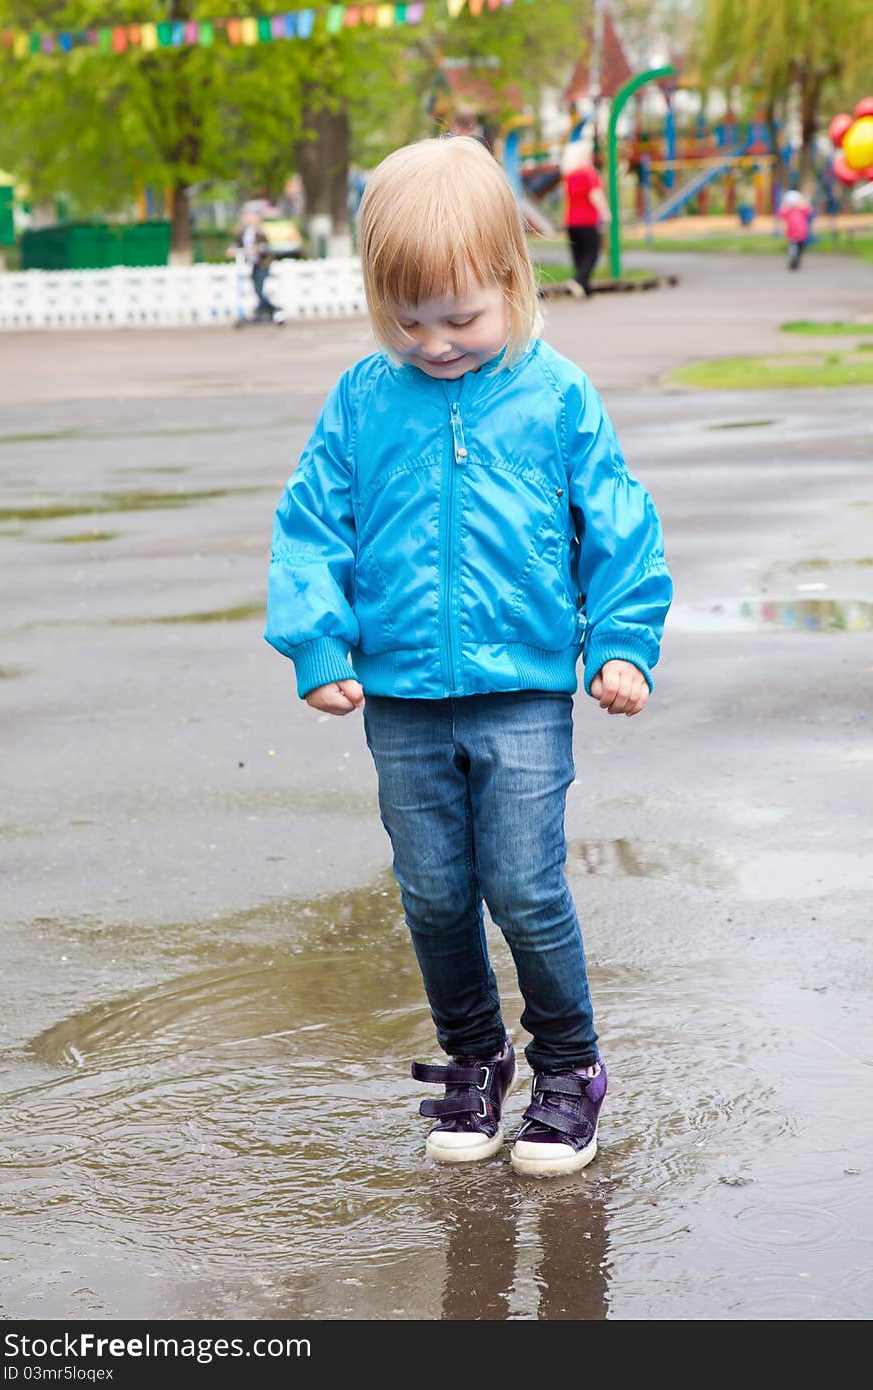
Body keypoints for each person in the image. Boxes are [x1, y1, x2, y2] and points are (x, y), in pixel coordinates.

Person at [265, 137, 672, 1178]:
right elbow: (312, 523)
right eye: (409, 319)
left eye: (461, 316)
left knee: (525, 888)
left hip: (525, 689)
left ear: (511, 277)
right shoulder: (364, 399)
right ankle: (473, 1060)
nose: (436, 342)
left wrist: (620, 643)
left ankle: (570, 1068)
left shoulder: (555, 394)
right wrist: (319, 641)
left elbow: (618, 522)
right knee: (435, 891)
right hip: (399, 694)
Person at [562, 140, 611, 297]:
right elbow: (595, 195)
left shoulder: (569, 176)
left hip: (571, 222)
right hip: (587, 221)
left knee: (580, 255)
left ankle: (584, 288)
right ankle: (578, 280)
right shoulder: (589, 173)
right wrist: (605, 213)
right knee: (592, 253)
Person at [230, 208, 278, 318]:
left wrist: (254, 249)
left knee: (259, 287)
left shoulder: (260, 232)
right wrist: (232, 249)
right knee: (256, 289)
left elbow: (265, 247)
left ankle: (267, 309)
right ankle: (267, 309)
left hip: (263, 264)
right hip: (254, 265)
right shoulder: (243, 233)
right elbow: (237, 244)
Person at [777, 189, 815, 270]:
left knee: (801, 249)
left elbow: (809, 210)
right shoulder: (788, 211)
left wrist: (803, 201)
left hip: (802, 233)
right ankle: (793, 260)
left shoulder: (802, 210)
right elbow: (781, 213)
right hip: (792, 234)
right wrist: (785, 204)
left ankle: (797, 261)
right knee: (793, 248)